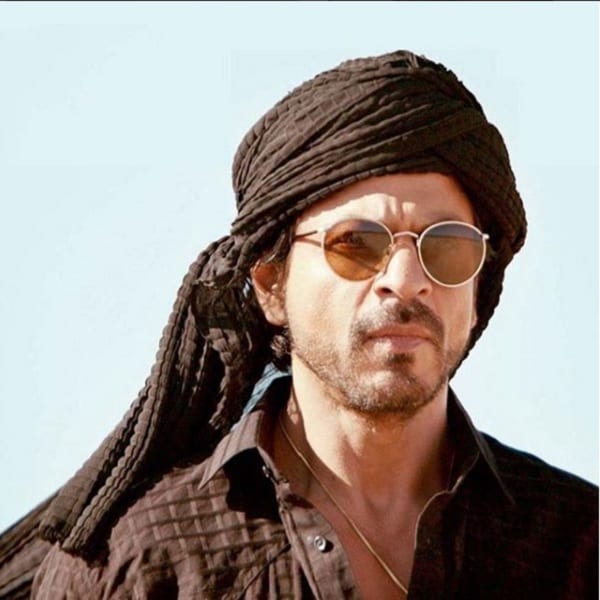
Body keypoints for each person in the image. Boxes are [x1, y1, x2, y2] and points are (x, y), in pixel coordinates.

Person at [32, 49, 597, 599]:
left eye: (447, 246)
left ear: (477, 294)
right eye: (355, 243)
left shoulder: (578, 547)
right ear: (270, 285)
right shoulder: (138, 564)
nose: (406, 279)